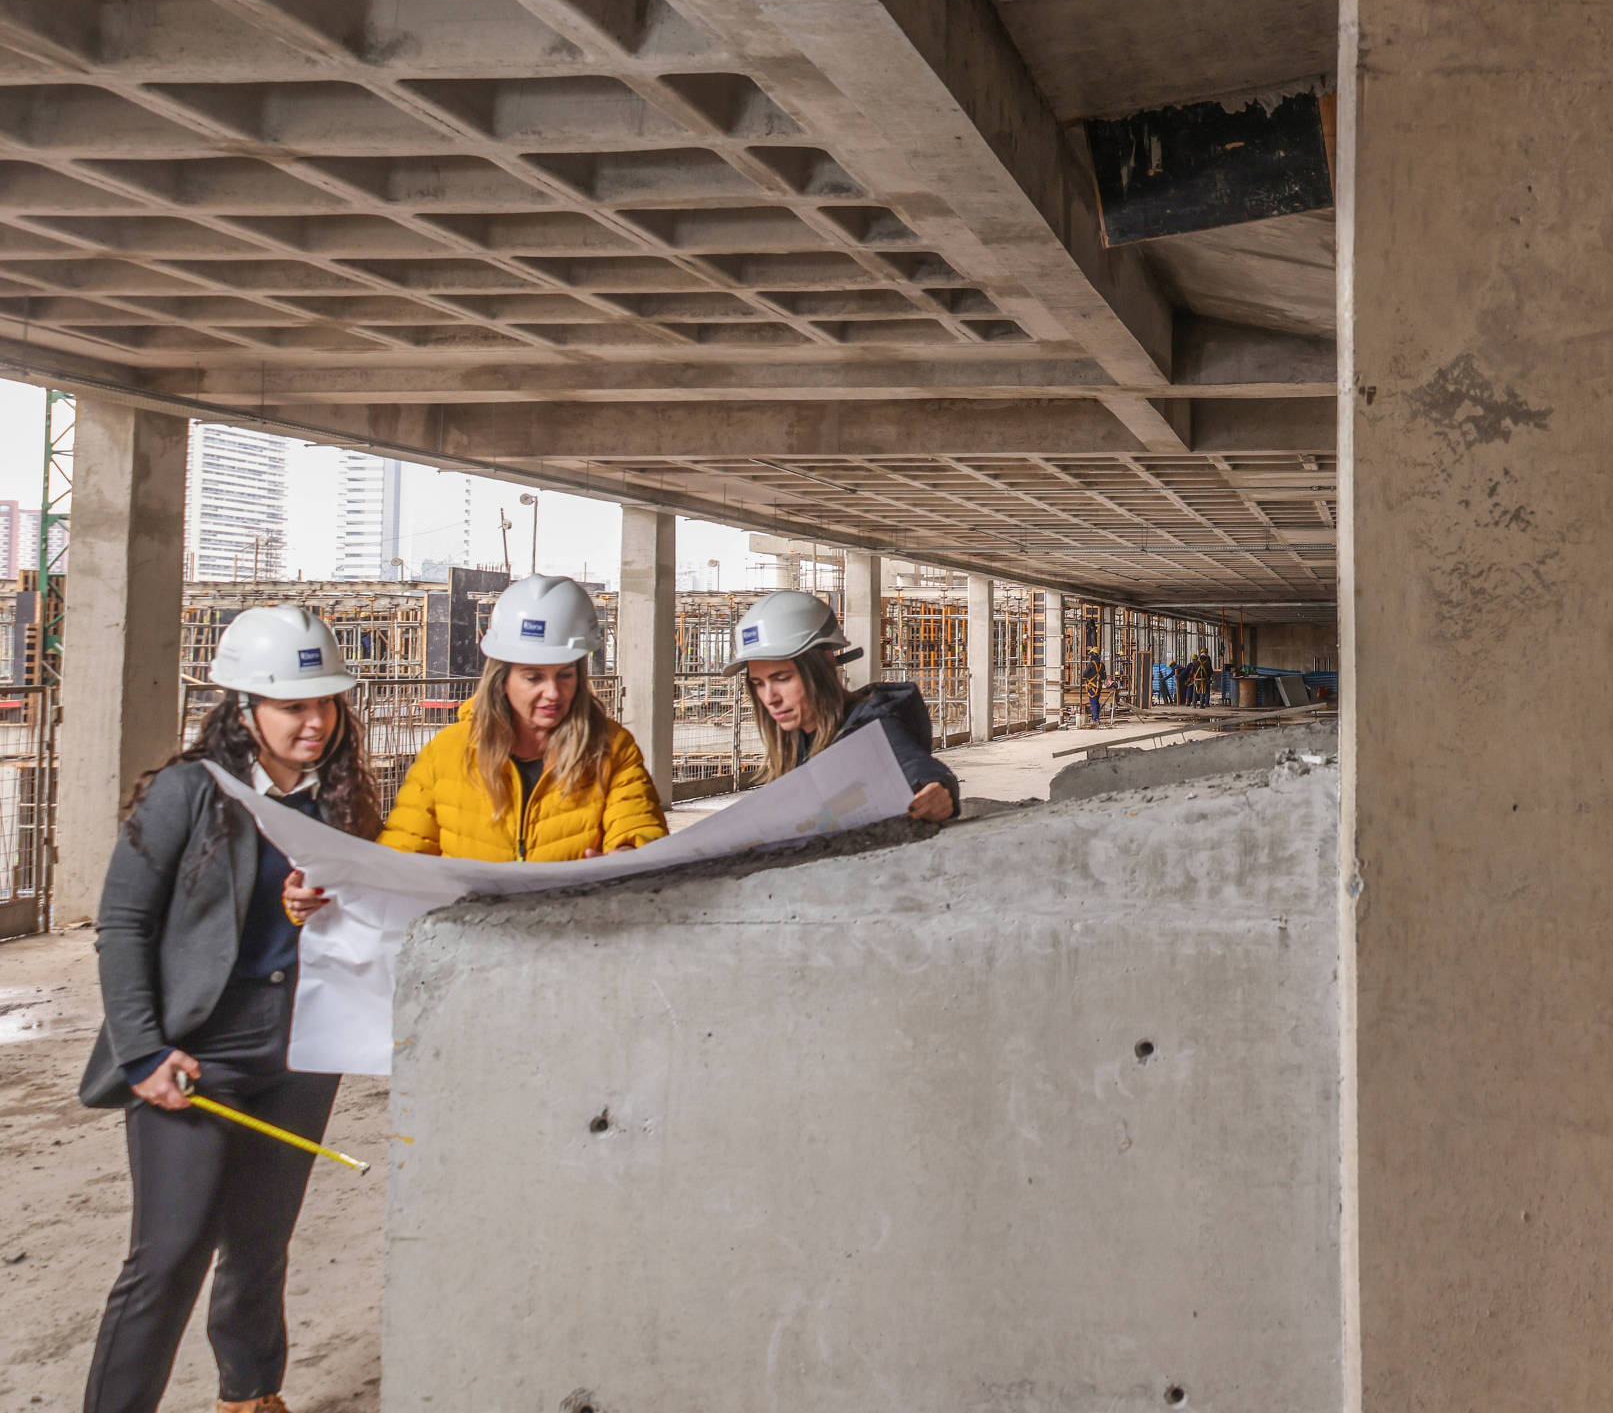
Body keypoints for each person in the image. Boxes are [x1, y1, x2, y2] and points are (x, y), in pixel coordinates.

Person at [80, 606, 382, 1413]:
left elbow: (366, 915)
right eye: (293, 706)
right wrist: (142, 1053)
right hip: (196, 1052)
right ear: (245, 709)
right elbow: (124, 925)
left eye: (326, 704)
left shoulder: (341, 799)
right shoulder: (188, 793)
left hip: (299, 1052)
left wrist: (322, 907)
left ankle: (250, 1397)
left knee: (259, 1245)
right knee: (169, 1254)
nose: (315, 722)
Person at [352, 575, 666, 866]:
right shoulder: (446, 753)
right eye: (533, 677)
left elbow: (638, 825)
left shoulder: (611, 748)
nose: (553, 693)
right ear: (502, 679)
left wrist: (628, 856)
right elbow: (400, 856)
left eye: (565, 675)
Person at [725, 590, 958, 820]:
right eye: (758, 683)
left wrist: (936, 788)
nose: (770, 698)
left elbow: (912, 764)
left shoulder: (870, 726)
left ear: (822, 668)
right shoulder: (798, 736)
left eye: (782, 678)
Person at [1081, 649, 1107, 726]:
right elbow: (1104, 677)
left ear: (1094, 655)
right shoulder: (1102, 665)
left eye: (1090, 655)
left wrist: (1090, 675)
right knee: (1096, 702)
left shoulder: (1091, 664)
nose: (1089, 656)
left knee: (1093, 702)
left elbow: (1084, 674)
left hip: (1092, 687)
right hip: (1098, 687)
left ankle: (1095, 719)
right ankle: (1095, 718)